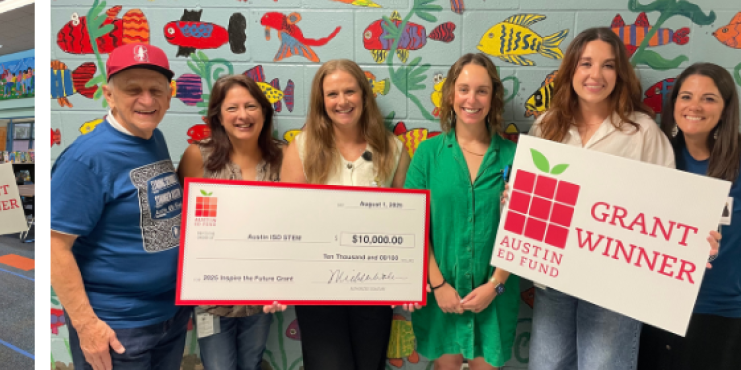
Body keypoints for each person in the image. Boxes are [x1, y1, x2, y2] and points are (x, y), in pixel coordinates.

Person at [523, 27, 674, 370]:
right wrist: (514, 198)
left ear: (619, 74)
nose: (595, 74)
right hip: (553, 280)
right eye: (585, 63)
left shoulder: (641, 131)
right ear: (571, 71)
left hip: (613, 285)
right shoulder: (547, 126)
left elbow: (668, 208)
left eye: (607, 65)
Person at [636, 63, 741, 370]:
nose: (695, 106)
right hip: (657, 312)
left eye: (709, 98)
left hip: (724, 318)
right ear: (674, 104)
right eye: (686, 96)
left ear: (726, 108)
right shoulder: (659, 159)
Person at [51, 44, 190, 370]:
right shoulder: (86, 158)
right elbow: (55, 246)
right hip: (118, 326)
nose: (147, 100)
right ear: (109, 95)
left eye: (156, 90)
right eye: (133, 90)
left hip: (167, 315)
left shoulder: (153, 137)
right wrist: (87, 326)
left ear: (169, 96)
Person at [279, 59, 410, 370]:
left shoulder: (393, 149)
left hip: (373, 286)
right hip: (318, 287)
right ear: (321, 102)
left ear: (364, 96)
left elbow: (406, 222)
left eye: (350, 91)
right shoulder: (301, 148)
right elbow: (286, 218)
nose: (342, 101)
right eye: (332, 94)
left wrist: (405, 280)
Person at [405, 53, 518, 370]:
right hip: (442, 295)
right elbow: (414, 227)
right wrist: (438, 285)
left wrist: (495, 286)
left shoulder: (515, 156)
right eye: (464, 89)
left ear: (493, 96)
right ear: (451, 95)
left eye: (482, 90)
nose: (472, 99)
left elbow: (523, 232)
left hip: (494, 296)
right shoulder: (428, 154)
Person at [176, 74, 287, 370]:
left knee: (251, 362)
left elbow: (292, 223)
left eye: (251, 106)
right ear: (218, 117)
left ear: (264, 113)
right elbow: (184, 225)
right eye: (232, 108)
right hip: (212, 298)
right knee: (218, 366)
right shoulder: (197, 157)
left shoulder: (284, 157)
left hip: (262, 294)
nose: (243, 116)